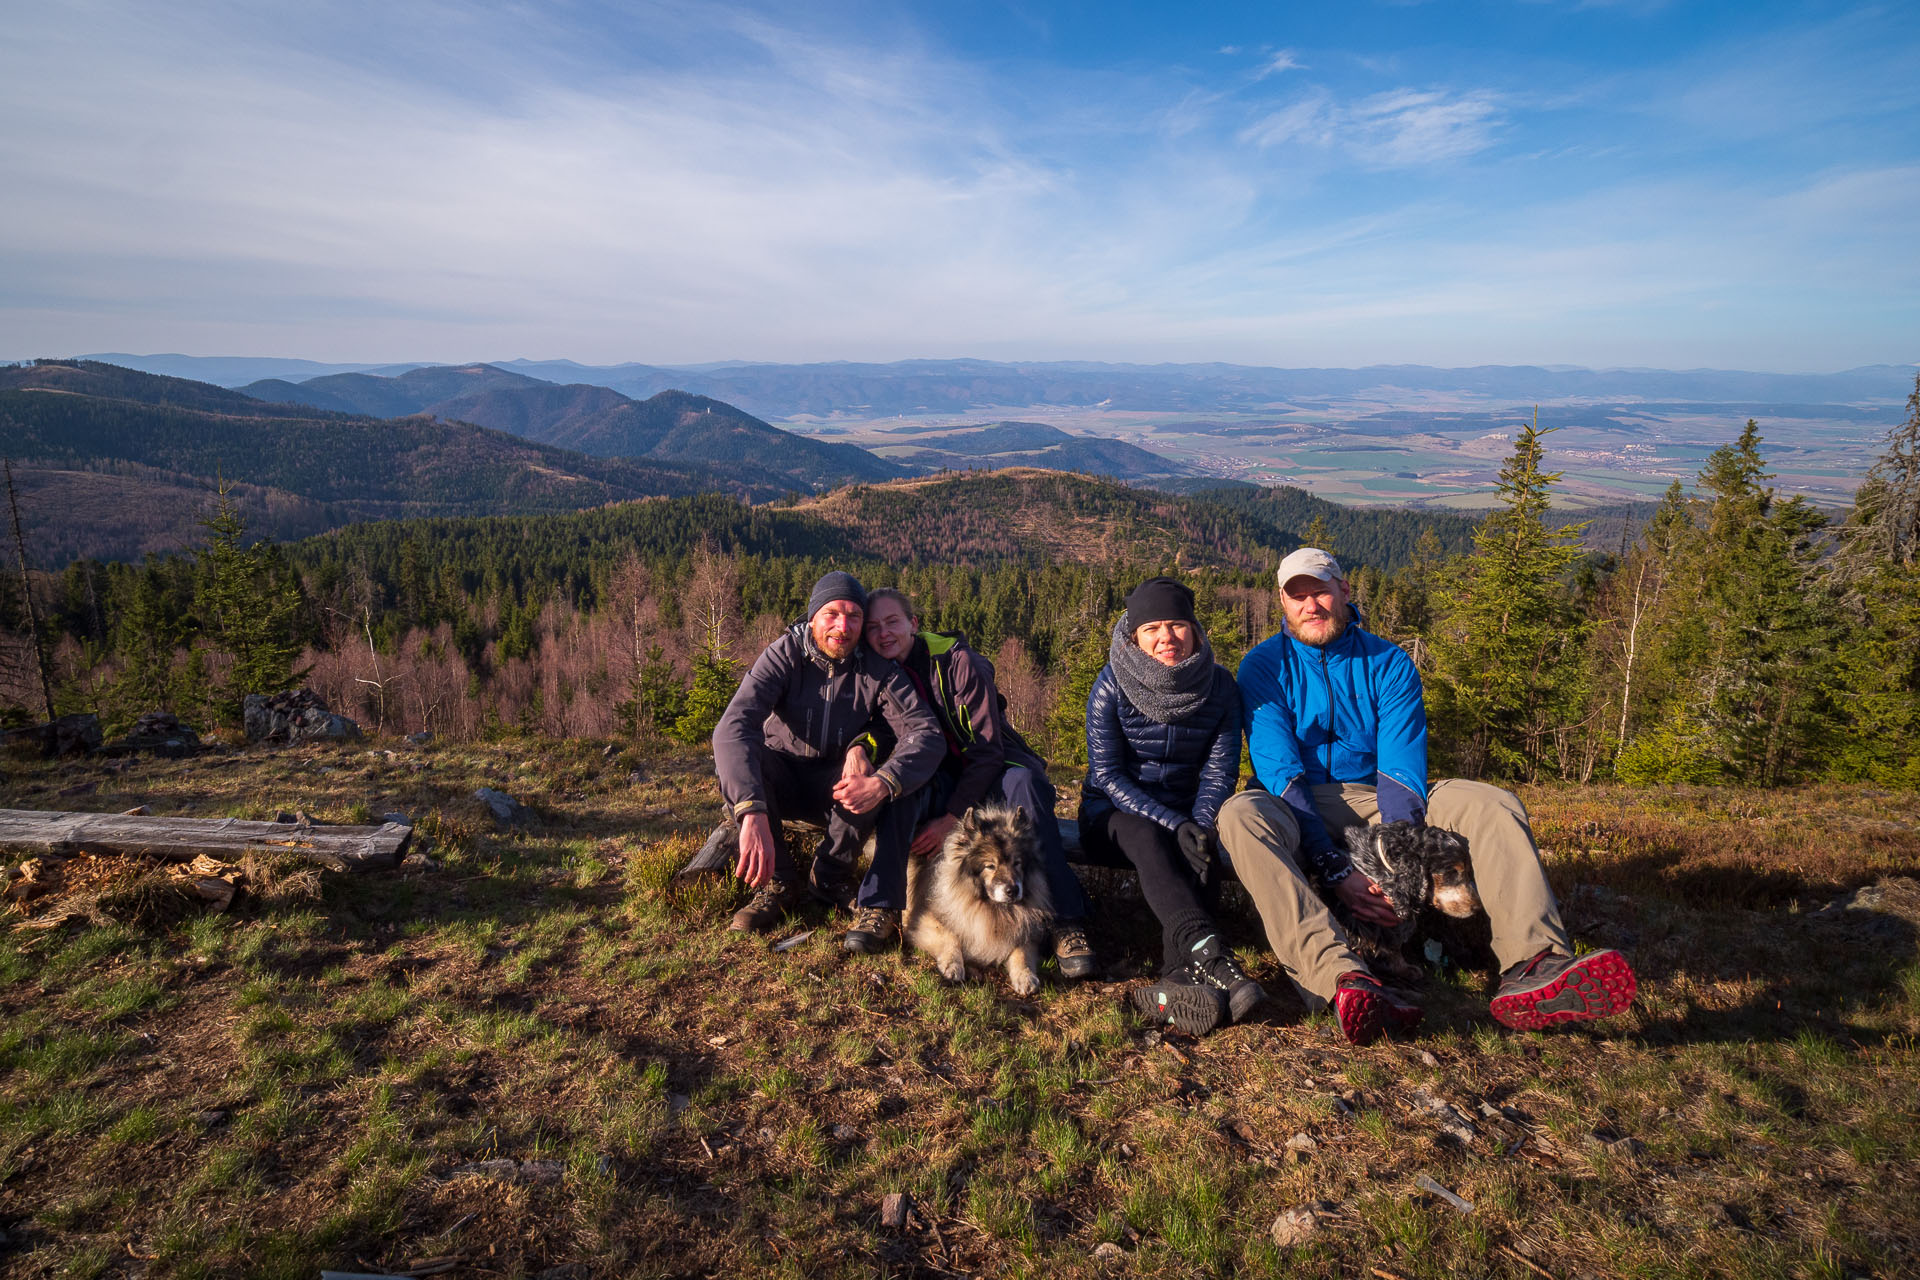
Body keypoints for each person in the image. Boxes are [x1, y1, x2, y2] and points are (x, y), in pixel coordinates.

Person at [1218, 547, 1637, 1043]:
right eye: (1298, 597)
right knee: (1241, 814)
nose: (1311, 605)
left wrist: (1401, 865)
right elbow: (1281, 772)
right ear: (1283, 605)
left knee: (1492, 803)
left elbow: (1400, 770)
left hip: (1377, 794)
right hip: (1298, 801)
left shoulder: (1388, 662)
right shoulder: (1263, 666)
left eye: (1321, 592)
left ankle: (1535, 962)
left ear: (1344, 591)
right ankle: (1340, 979)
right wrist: (1333, 866)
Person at [856, 587, 1097, 979]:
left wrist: (952, 817)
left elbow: (986, 751)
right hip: (936, 772)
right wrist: (859, 750)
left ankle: (1066, 919)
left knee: (1026, 788)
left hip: (991, 762)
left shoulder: (959, 663)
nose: (884, 633)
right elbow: (872, 728)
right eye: (873, 627)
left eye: (892, 622)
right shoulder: (874, 671)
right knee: (900, 789)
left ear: (913, 624)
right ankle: (880, 904)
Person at [712, 571, 945, 953]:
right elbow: (733, 728)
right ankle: (779, 884)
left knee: (869, 775)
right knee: (748, 756)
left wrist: (885, 780)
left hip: (834, 784)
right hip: (782, 775)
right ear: (813, 617)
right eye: (832, 613)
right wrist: (750, 810)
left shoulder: (877, 669)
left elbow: (926, 733)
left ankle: (830, 877)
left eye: (854, 616)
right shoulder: (785, 655)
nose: (844, 626)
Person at [1080, 576, 1262, 1036]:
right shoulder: (1110, 686)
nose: (1166, 638)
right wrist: (1173, 821)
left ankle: (1176, 980)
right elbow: (1107, 775)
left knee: (1197, 851)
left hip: (1185, 813)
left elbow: (1218, 772)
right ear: (1133, 635)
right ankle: (1215, 960)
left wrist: (1197, 825)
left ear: (1195, 630)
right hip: (1113, 816)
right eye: (1152, 628)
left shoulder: (1219, 688)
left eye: (1177, 625)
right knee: (1149, 836)